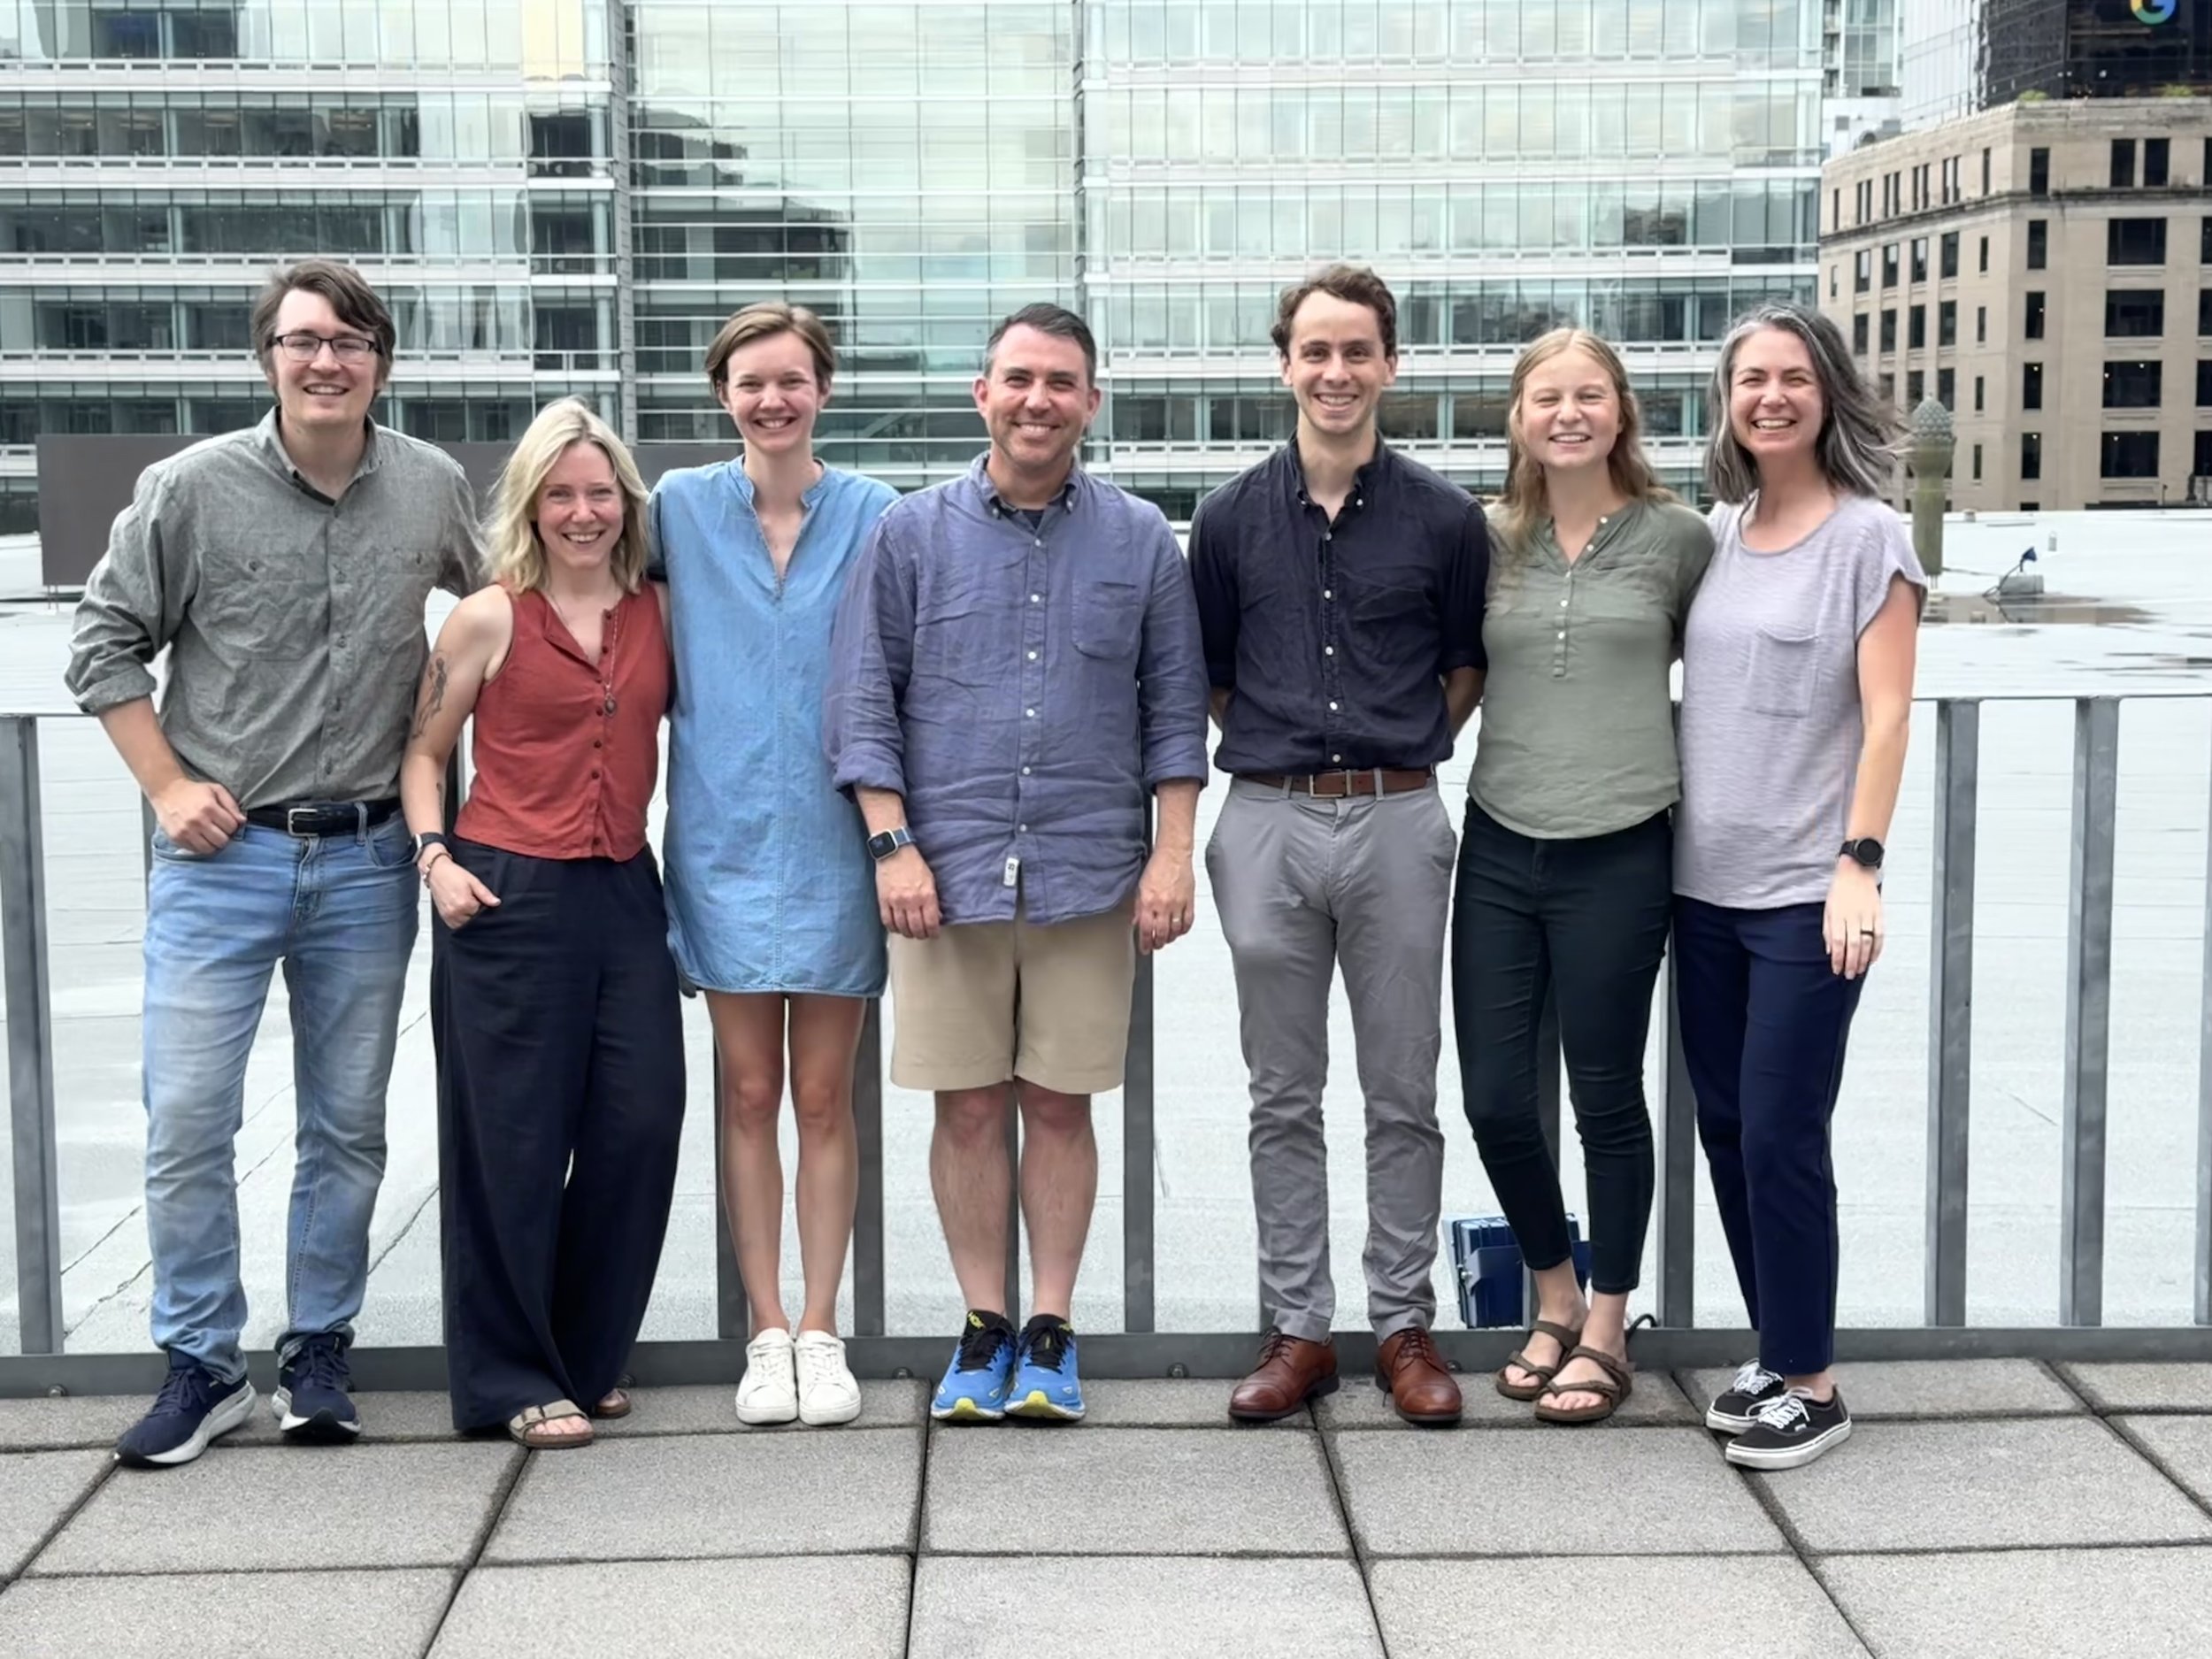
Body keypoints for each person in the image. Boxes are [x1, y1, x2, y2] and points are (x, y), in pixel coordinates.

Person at [65, 260, 480, 1468]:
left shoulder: (431, 485)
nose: (326, 361)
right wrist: (166, 784)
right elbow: (102, 644)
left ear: (382, 363)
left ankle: (317, 1353)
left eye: (350, 342)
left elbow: (505, 605)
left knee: (346, 1126)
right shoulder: (190, 488)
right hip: (223, 858)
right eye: (303, 340)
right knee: (187, 1122)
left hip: (368, 858)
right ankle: (202, 1364)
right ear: (269, 358)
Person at [826, 303, 1209, 1425]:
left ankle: (1050, 1329)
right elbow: (863, 701)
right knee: (964, 1109)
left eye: (1061, 382)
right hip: (943, 875)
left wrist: (1172, 856)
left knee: (1058, 1104)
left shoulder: (1141, 539)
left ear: (1091, 402)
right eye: (1019, 379)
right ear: (982, 394)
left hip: (1089, 872)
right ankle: (982, 1325)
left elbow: (1175, 710)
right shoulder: (908, 534)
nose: (1038, 400)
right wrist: (892, 844)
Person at [1190, 265, 1488, 1426]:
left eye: (1357, 350)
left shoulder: (1445, 520)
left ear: (1389, 364)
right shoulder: (1226, 519)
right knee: (1281, 1093)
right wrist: (1291, 761)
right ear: (1285, 365)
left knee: (1404, 1088)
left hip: (1399, 816)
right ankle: (1300, 1328)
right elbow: (1215, 674)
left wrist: (1388, 757)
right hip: (1265, 817)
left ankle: (1403, 1323)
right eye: (1314, 351)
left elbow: (1463, 668)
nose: (1335, 371)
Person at [400, 397, 684, 1449]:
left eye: (599, 493)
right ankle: (509, 1377)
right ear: (529, 504)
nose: (582, 512)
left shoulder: (660, 610)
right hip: (505, 893)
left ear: (626, 503)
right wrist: (436, 861)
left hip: (625, 891)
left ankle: (583, 1353)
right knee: (510, 1143)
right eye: (560, 494)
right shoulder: (487, 617)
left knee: (640, 1122)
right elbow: (424, 754)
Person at [1676, 302, 1924, 1471]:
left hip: (1804, 895)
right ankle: (1777, 1353)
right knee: (1728, 1127)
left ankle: (1814, 1382)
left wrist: (1858, 865)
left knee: (1781, 1126)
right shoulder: (1717, 533)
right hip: (1700, 889)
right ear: (1728, 403)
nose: (1770, 396)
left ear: (1828, 393)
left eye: (1793, 378)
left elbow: (1888, 719)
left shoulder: (1870, 538)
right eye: (1750, 380)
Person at [1452, 328, 1713, 1425]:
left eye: (1590, 396)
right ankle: (1552, 1292)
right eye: (1547, 398)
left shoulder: (1680, 539)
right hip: (1499, 839)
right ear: (1518, 418)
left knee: (1604, 1092)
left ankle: (1606, 1321)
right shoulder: (1483, 539)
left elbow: (1738, 668)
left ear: (1621, 413)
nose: (1568, 414)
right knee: (1494, 1098)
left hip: (1621, 843)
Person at [650, 303, 897, 1428]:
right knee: (748, 1093)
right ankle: (764, 1330)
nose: (772, 400)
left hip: (840, 843)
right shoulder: (676, 508)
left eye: (792, 380)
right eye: (750, 382)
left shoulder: (878, 515)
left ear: (824, 390)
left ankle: (821, 1329)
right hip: (724, 839)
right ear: (722, 394)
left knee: (823, 1095)